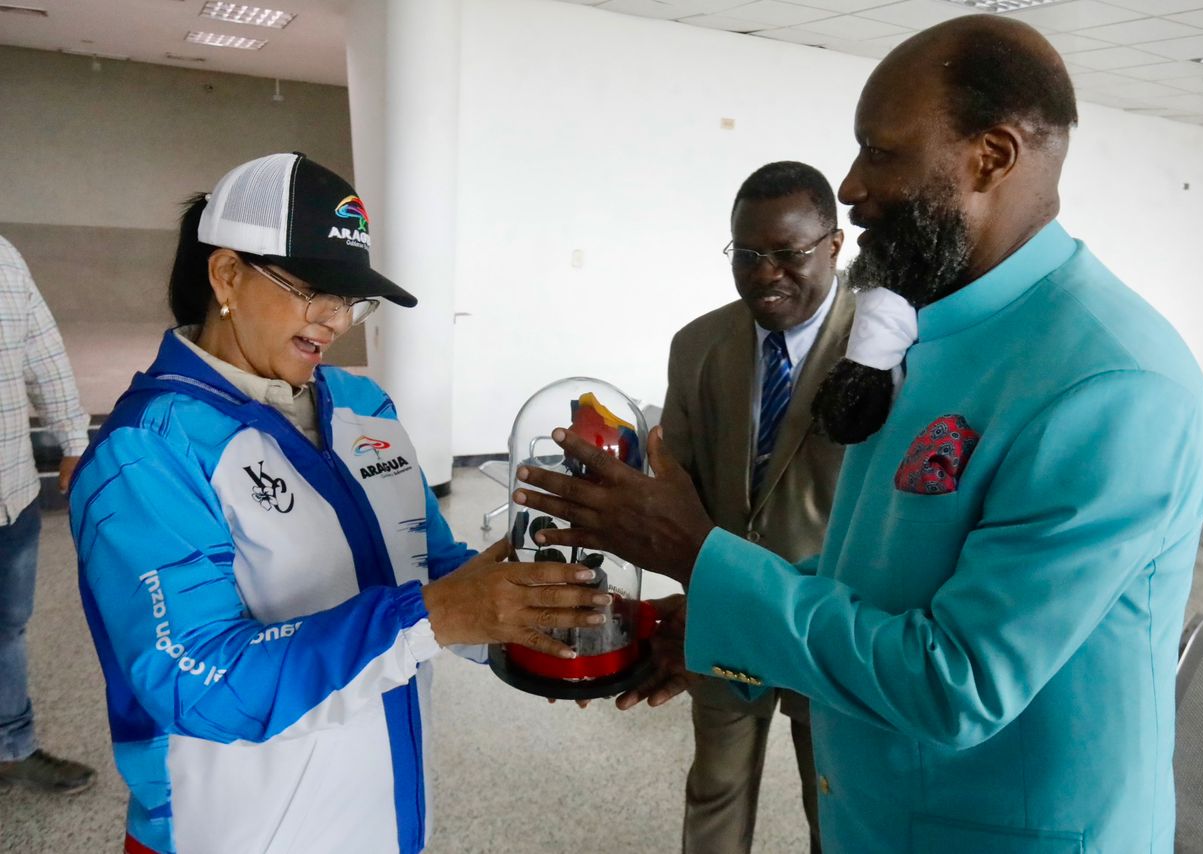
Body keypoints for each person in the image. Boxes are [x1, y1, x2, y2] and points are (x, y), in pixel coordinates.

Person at [514, 15, 1203, 854]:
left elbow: (956, 683)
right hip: (879, 816)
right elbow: (879, 576)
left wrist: (702, 556)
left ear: (990, 157)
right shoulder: (933, 334)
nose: (850, 186)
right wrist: (715, 605)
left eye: (879, 152)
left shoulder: (1111, 385)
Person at [69, 153, 608, 854]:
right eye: (313, 290)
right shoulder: (148, 450)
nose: (335, 320)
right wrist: (436, 616)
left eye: (350, 298)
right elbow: (195, 681)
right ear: (226, 274)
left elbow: (430, 567)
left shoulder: (363, 406)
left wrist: (535, 624)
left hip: (383, 819)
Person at [664, 161, 849, 854]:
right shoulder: (697, 346)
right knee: (714, 788)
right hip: (725, 616)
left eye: (788, 253)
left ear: (834, 245)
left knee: (833, 801)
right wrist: (688, 597)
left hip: (825, 624)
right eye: (746, 254)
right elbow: (680, 486)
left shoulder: (889, 346)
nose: (766, 274)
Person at [0, 235, 97, 794]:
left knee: (7, 627)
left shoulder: (5, 258)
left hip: (10, 493)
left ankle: (10, 748)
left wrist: (73, 439)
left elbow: (43, 352)